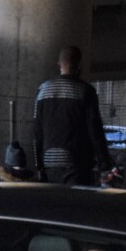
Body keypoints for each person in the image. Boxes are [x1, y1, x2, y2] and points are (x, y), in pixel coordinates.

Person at [32, 46, 114, 186]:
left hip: (49, 163)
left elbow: (36, 132)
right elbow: (95, 130)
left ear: (59, 64)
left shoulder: (43, 90)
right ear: (80, 65)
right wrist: (104, 166)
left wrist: (38, 165)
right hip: (78, 163)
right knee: (75, 205)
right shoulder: (85, 91)